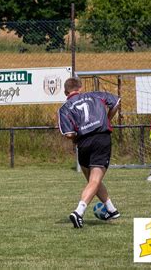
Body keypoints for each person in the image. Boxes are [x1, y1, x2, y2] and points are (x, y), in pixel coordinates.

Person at [58, 77, 121, 228]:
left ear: (66, 92)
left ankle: (111, 209)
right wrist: (107, 118)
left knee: (92, 180)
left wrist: (77, 135)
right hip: (101, 138)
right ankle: (78, 212)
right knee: (94, 180)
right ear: (80, 88)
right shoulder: (95, 95)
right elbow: (116, 101)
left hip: (83, 143)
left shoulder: (64, 108)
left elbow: (68, 134)